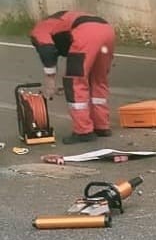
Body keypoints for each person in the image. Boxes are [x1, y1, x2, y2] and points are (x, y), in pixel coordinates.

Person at [29, 10, 116, 144]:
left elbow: (47, 50)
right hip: (107, 30)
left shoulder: (39, 30)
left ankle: (83, 131)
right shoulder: (59, 22)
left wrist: (50, 80)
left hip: (86, 33)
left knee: (74, 81)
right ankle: (101, 126)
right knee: (98, 79)